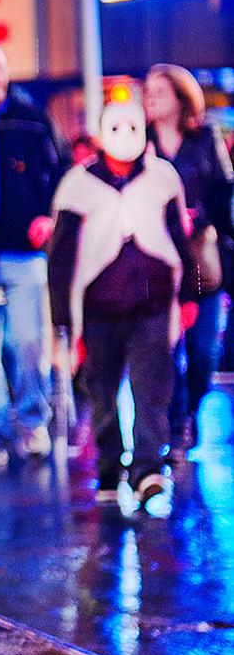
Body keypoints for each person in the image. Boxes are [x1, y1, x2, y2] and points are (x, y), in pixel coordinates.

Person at [48, 96, 197, 513]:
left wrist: (188, 296)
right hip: (98, 310)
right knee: (103, 392)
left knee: (151, 389)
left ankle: (148, 469)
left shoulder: (162, 178)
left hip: (152, 304)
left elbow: (178, 238)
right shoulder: (77, 186)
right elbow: (61, 259)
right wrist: (64, 321)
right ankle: (111, 465)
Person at [0, 42, 67, 467]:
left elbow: (61, 174)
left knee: (27, 341)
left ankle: (33, 421)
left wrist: (50, 217)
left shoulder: (31, 119)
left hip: (24, 252)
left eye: (1, 68)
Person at [143, 64, 233, 439]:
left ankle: (193, 407)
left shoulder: (205, 137)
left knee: (202, 350)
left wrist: (202, 218)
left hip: (200, 258)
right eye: (147, 91)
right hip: (158, 257)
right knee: (164, 347)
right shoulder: (138, 142)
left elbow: (224, 190)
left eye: (159, 91)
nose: (150, 98)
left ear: (181, 98)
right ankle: (176, 423)